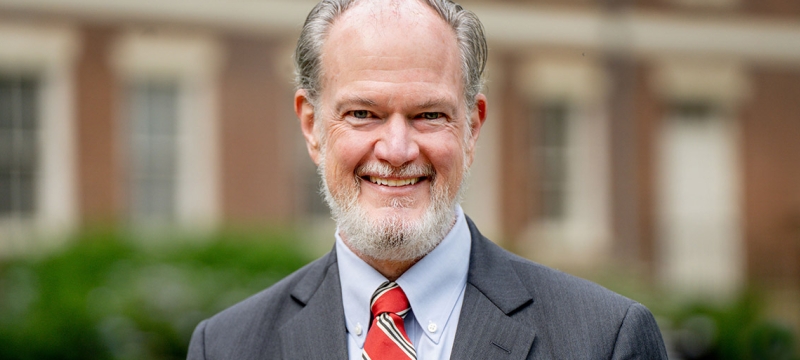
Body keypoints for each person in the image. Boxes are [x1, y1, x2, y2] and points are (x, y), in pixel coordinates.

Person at [187, 0, 668, 358]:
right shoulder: (227, 346)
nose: (397, 150)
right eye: (362, 113)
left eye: (429, 114)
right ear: (312, 126)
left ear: (472, 127)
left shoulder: (604, 340)